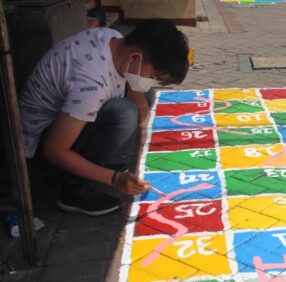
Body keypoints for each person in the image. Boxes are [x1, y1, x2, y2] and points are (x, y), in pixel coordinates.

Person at [19, 19, 189, 215]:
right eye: (154, 75)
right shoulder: (91, 84)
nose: (152, 80)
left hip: (66, 119)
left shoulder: (113, 38)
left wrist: (137, 94)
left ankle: (96, 164)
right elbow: (53, 151)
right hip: (41, 145)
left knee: (144, 95)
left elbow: (135, 84)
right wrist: (114, 179)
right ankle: (73, 189)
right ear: (135, 56)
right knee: (124, 113)